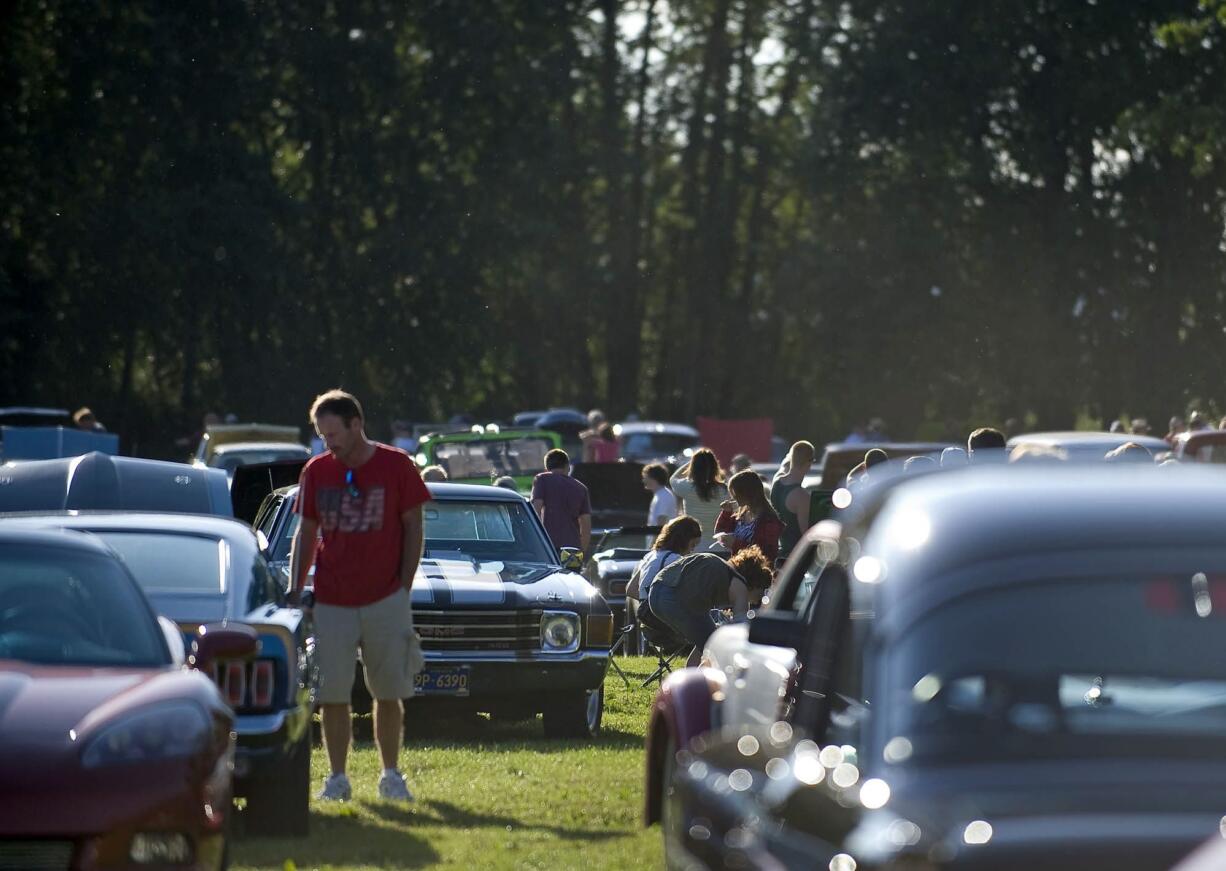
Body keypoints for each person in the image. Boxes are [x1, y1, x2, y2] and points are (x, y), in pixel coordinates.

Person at [289, 389, 429, 804]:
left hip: (386, 598)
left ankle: (391, 774)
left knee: (388, 691)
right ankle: (337, 778)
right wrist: (297, 590)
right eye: (321, 434)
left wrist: (403, 585)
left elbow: (414, 527)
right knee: (331, 693)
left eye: (333, 433)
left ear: (356, 425)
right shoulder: (316, 471)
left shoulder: (397, 466)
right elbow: (306, 532)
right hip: (331, 599)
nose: (328, 442)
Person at [648, 546, 774, 667]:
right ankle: (699, 685)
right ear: (755, 584)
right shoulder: (740, 585)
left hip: (655, 593)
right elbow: (741, 629)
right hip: (673, 598)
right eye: (763, 591)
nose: (761, 598)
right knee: (715, 649)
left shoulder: (721, 569)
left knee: (709, 640)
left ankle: (692, 675)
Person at [626, 515, 702, 605]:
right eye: (693, 544)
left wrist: (649, 602)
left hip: (645, 614)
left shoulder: (651, 555)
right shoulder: (675, 560)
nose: (692, 550)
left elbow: (631, 589)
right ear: (683, 540)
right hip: (664, 616)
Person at [714, 469, 784, 564]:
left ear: (747, 492)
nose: (733, 497)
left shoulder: (769, 521)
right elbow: (720, 532)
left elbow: (767, 554)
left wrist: (736, 544)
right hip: (737, 568)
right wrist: (726, 513)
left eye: (735, 493)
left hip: (755, 574)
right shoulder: (741, 514)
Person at [530, 449, 592, 555]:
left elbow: (536, 511)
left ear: (547, 467)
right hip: (572, 548)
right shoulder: (581, 488)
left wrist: (535, 543)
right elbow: (586, 524)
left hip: (548, 547)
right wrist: (582, 552)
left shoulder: (542, 480)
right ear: (567, 466)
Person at [770, 441, 816, 563]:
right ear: (809, 463)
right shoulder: (802, 497)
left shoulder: (776, 482)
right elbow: (807, 535)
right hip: (795, 558)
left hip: (778, 552)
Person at [670, 449, 725, 550]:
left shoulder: (686, 487)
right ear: (715, 467)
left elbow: (673, 478)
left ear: (693, 467)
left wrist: (690, 462)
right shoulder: (724, 490)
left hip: (693, 544)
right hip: (718, 544)